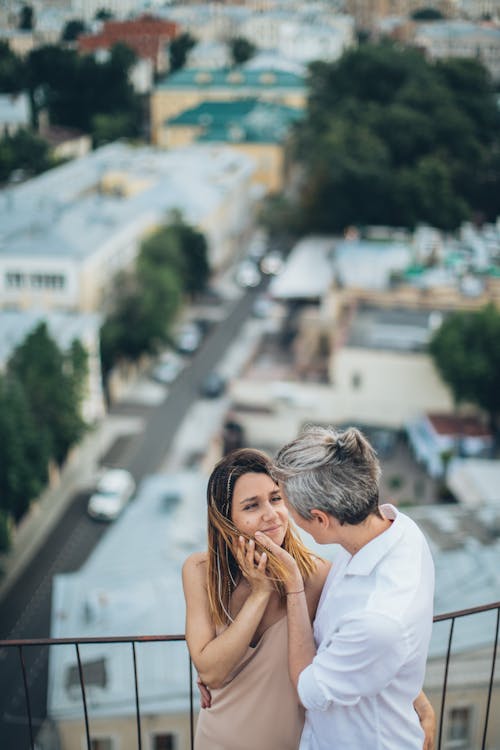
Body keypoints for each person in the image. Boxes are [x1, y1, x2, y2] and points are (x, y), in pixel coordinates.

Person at [183, 446, 436, 750]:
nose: (271, 514)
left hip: (294, 741)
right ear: (226, 518)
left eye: (276, 499)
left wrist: (418, 701)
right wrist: (260, 593)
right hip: (219, 739)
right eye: (252, 506)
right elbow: (211, 672)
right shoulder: (201, 571)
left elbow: (362, 650)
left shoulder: (317, 576)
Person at [253, 425, 436, 750]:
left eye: (288, 507)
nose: (285, 517)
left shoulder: (377, 619)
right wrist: (417, 698)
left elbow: (307, 689)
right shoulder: (401, 531)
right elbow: (384, 656)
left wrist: (294, 586)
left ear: (321, 519)